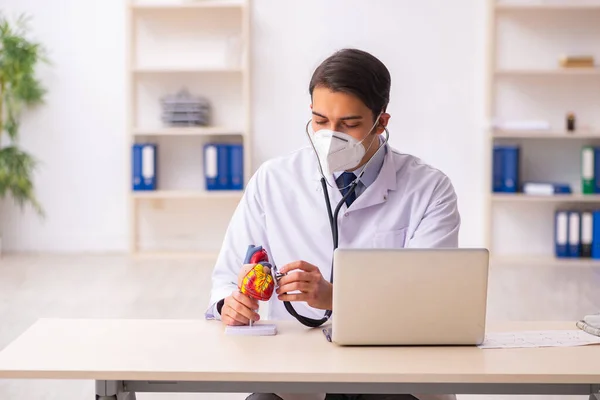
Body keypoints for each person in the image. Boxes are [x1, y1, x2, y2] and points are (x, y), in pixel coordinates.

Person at [205, 48, 461, 400]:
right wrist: (229, 305)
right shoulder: (273, 179)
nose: (330, 135)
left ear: (381, 122)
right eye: (320, 120)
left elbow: (429, 300)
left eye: (349, 124)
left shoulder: (429, 188)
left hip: (393, 368)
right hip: (296, 369)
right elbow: (226, 276)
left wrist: (336, 297)